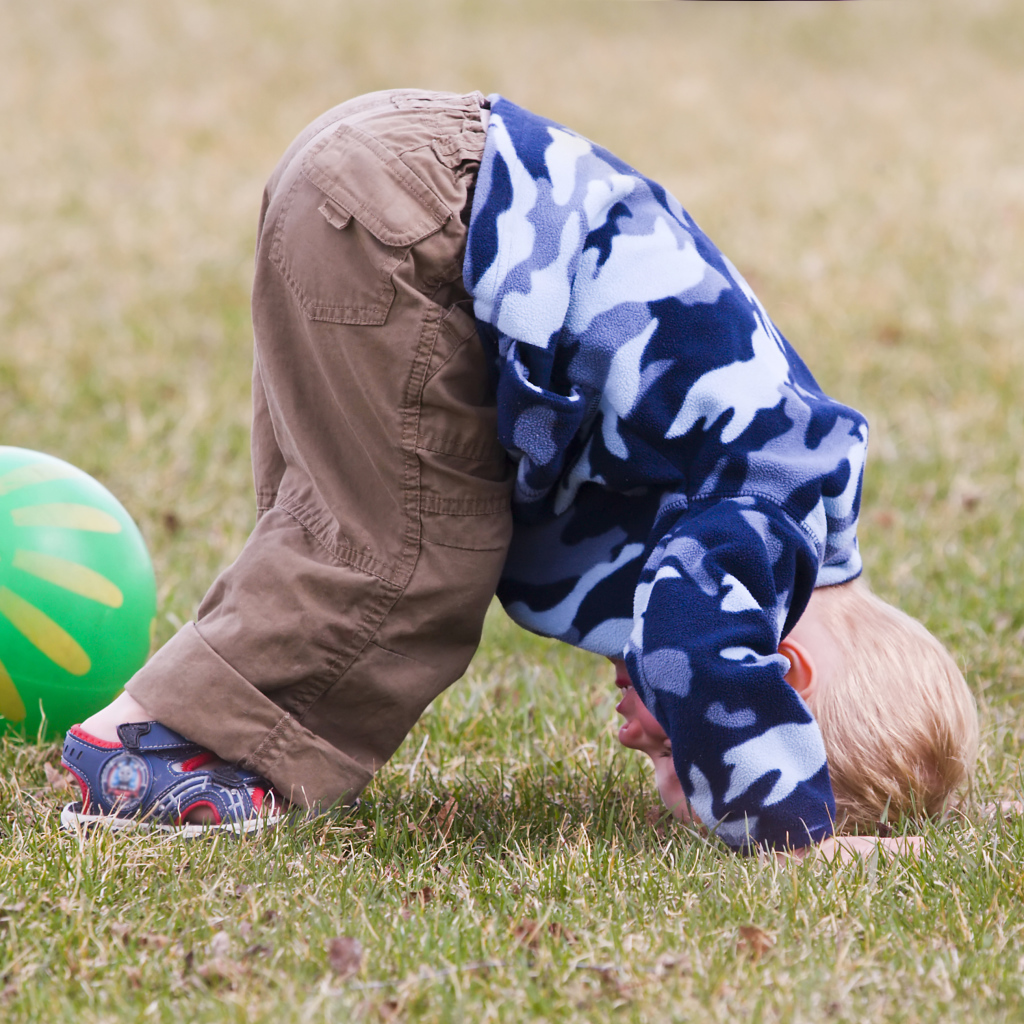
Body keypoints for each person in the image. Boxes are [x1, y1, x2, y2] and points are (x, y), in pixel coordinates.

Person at [60, 89, 978, 853]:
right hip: (426, 226)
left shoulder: (787, 479)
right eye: (676, 753)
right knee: (414, 556)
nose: (635, 742)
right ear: (778, 674)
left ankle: (209, 735)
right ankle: (149, 750)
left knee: (335, 521)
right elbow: (692, 637)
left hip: (395, 179)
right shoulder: (771, 513)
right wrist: (790, 834)